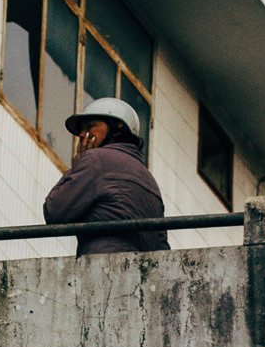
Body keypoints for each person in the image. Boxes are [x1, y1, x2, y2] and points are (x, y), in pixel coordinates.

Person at [42, 97, 169, 256]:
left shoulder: (96, 159)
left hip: (101, 263)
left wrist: (76, 168)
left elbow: (54, 212)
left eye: (91, 126)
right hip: (143, 274)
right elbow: (162, 246)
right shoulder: (150, 180)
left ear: (117, 126)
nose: (82, 134)